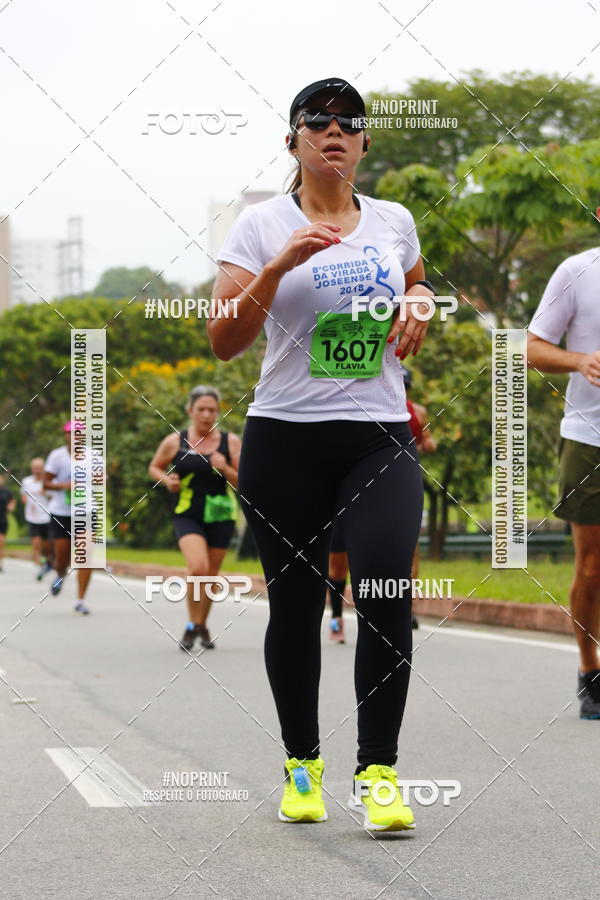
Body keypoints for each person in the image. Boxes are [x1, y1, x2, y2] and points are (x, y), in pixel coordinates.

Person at [209, 77, 435, 831]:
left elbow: (416, 280)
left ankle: (379, 774)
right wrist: (281, 266)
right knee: (298, 607)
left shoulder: (394, 220)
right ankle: (301, 764)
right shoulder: (259, 223)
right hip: (285, 439)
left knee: (382, 594)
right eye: (317, 120)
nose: (333, 130)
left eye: (348, 123)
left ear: (365, 143)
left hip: (378, 434)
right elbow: (223, 338)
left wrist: (421, 302)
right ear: (294, 139)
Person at [527, 236, 600, 720]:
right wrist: (580, 361)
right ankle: (589, 670)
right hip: (589, 437)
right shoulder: (576, 271)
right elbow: (530, 348)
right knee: (592, 566)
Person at [326, 365, 437, 639]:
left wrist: (419, 442)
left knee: (407, 552)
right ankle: (337, 617)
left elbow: (429, 443)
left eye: (406, 384)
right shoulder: (360, 402)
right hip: (347, 485)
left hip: (396, 484)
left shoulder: (417, 412)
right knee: (338, 566)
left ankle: (405, 608)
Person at [149, 385, 241, 652]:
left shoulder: (230, 443)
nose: (206, 414)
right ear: (190, 410)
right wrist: (168, 480)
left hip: (221, 514)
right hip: (187, 514)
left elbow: (245, 482)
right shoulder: (174, 441)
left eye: (212, 410)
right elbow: (154, 466)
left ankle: (201, 623)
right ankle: (192, 624)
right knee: (198, 568)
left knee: (210, 576)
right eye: (201, 409)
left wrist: (225, 469)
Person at [43, 421, 95, 613]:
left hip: (86, 510)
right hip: (61, 512)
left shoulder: (93, 455)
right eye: (70, 433)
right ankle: (60, 574)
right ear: (65, 435)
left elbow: (101, 477)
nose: (74, 436)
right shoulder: (57, 456)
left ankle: (80, 600)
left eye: (79, 433)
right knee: (62, 558)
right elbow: (46, 484)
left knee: (85, 556)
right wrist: (63, 486)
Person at [21, 457, 54, 580]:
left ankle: (46, 562)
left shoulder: (48, 482)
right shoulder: (26, 481)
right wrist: (28, 503)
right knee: (36, 543)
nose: (37, 470)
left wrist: (46, 492)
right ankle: (40, 566)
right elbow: (23, 497)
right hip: (32, 517)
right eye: (35, 468)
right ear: (32, 469)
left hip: (46, 516)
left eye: (39, 468)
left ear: (43, 468)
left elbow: (54, 497)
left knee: (46, 546)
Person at [0, 473, 16, 572]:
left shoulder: (6, 492)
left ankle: (0, 564)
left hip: (2, 520)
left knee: (1, 543)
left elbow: (12, 500)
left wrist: (11, 506)